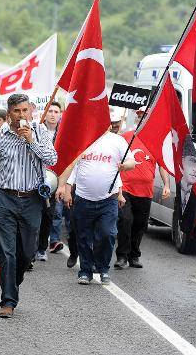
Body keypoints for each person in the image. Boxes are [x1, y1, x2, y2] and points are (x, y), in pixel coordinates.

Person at [0, 93, 57, 318]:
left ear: (30, 111)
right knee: (7, 253)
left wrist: (31, 141)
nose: (21, 115)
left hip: (32, 200)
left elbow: (53, 159)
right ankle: (7, 301)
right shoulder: (0, 136)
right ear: (9, 113)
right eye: (16, 111)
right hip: (5, 199)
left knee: (27, 253)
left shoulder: (39, 132)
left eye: (24, 110)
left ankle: (13, 281)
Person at [57, 120, 135, 286]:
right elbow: (73, 167)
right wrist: (66, 189)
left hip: (108, 200)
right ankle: (85, 271)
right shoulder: (83, 140)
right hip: (83, 199)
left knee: (107, 234)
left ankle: (103, 268)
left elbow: (132, 162)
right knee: (84, 237)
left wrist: (125, 166)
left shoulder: (117, 141)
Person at [115, 109, 171, 269]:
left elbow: (162, 165)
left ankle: (134, 255)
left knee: (140, 224)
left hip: (145, 191)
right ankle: (122, 256)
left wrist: (167, 184)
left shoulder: (155, 141)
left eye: (144, 118)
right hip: (126, 189)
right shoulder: (125, 137)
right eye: (139, 117)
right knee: (126, 221)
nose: (141, 120)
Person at [36, 102, 64, 261]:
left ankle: (41, 248)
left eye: (56, 111)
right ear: (45, 113)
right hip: (36, 179)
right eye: (50, 111)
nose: (53, 114)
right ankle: (31, 247)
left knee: (48, 215)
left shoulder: (64, 134)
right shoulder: (37, 130)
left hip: (54, 182)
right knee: (33, 215)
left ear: (60, 115)